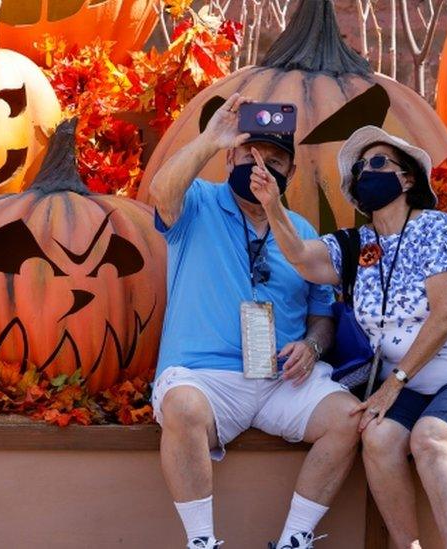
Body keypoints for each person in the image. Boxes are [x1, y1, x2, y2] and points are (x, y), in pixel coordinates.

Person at [250, 125, 447, 548]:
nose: (366, 171)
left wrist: (392, 385)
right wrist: (272, 205)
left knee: (431, 440)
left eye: (378, 162)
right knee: (377, 438)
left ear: (408, 177)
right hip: (413, 382)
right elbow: (303, 259)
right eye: (359, 168)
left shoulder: (437, 228)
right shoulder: (357, 244)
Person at [147, 93, 362, 549]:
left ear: (290, 173)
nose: (261, 167)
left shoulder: (301, 232)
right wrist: (209, 139)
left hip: (281, 381)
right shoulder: (198, 204)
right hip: (207, 378)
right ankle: (202, 542)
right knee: (181, 408)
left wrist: (313, 347)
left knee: (347, 417)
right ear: (230, 158)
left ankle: (294, 540)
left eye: (275, 160)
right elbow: (161, 191)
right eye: (249, 155)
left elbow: (321, 314)